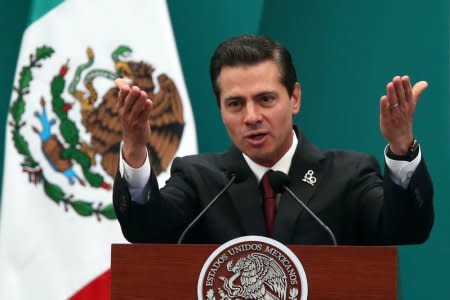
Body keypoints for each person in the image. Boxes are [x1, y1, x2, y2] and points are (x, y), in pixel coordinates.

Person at [113, 35, 433, 245]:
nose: (251, 116)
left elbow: (407, 229)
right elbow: (146, 231)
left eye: (265, 99)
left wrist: (402, 148)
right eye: (235, 104)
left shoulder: (349, 176)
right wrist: (136, 149)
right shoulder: (197, 180)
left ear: (294, 98)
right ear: (220, 110)